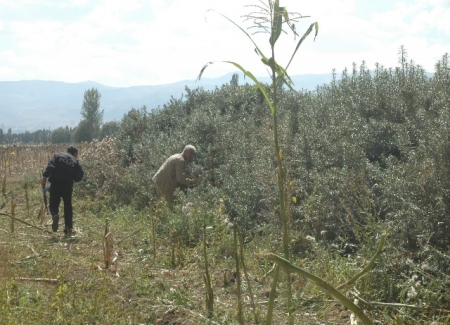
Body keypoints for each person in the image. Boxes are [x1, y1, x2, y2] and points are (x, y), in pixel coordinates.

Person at [41, 146, 84, 236]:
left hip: (55, 183)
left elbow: (51, 166)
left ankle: (55, 215)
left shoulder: (58, 155)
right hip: (67, 186)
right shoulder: (75, 161)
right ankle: (68, 229)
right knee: (68, 206)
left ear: (67, 151)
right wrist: (73, 178)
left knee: (53, 204)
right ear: (75, 154)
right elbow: (79, 176)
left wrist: (45, 176)